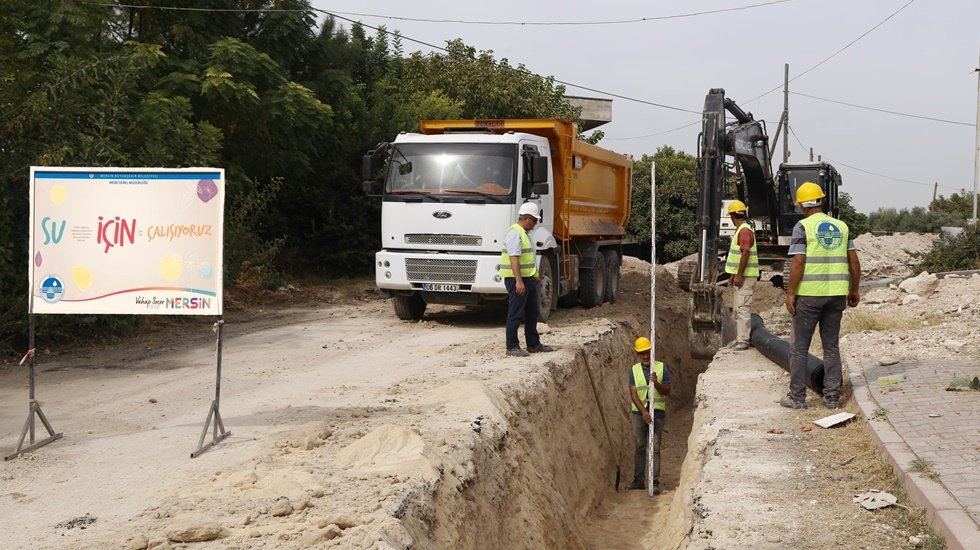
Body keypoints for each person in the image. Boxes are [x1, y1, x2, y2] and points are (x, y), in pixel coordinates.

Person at [782, 182, 861, 410]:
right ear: (821, 201)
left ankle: (797, 398)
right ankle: (832, 397)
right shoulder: (841, 226)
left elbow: (798, 261)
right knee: (831, 347)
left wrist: (790, 292)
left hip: (809, 296)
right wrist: (853, 289)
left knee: (799, 347)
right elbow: (854, 261)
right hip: (836, 295)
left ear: (802, 205)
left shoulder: (802, 227)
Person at [500, 202, 553, 357]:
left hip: (528, 279)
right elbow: (514, 259)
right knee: (515, 313)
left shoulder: (524, 234)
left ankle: (533, 344)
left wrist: (534, 275)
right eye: (535, 220)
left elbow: (527, 258)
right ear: (527, 218)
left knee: (532, 312)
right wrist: (519, 281)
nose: (535, 224)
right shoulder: (515, 233)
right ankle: (512, 346)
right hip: (517, 280)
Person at [627, 336, 671, 493]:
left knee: (655, 448)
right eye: (642, 353)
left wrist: (657, 383)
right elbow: (633, 394)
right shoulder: (634, 370)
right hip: (639, 414)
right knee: (640, 446)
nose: (645, 356)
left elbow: (667, 390)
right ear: (638, 354)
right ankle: (638, 480)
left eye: (647, 352)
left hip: (657, 413)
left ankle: (655, 482)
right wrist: (644, 412)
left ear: (651, 351)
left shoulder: (661, 368)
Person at [724, 200, 759, 351]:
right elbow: (737, 257)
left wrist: (739, 275)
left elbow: (745, 253)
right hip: (741, 276)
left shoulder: (744, 231)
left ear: (732, 216)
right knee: (738, 308)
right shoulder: (742, 230)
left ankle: (744, 340)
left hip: (746, 277)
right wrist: (733, 275)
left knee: (743, 308)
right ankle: (740, 338)